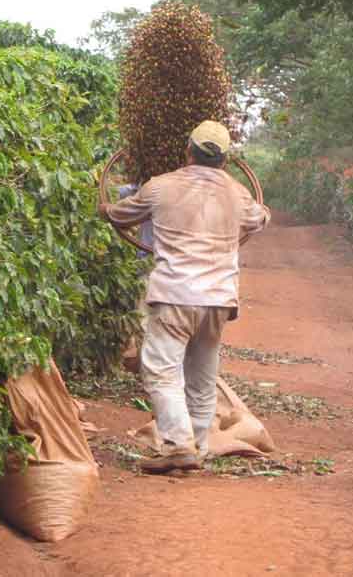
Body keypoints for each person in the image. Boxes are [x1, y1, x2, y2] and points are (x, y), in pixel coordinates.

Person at [99, 121, 270, 474]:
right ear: (224, 160)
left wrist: (105, 210)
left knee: (162, 372)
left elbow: (121, 214)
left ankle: (178, 445)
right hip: (218, 301)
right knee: (202, 377)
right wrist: (262, 212)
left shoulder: (159, 187)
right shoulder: (238, 193)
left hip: (174, 295)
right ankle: (200, 448)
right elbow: (259, 218)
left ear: (188, 151)